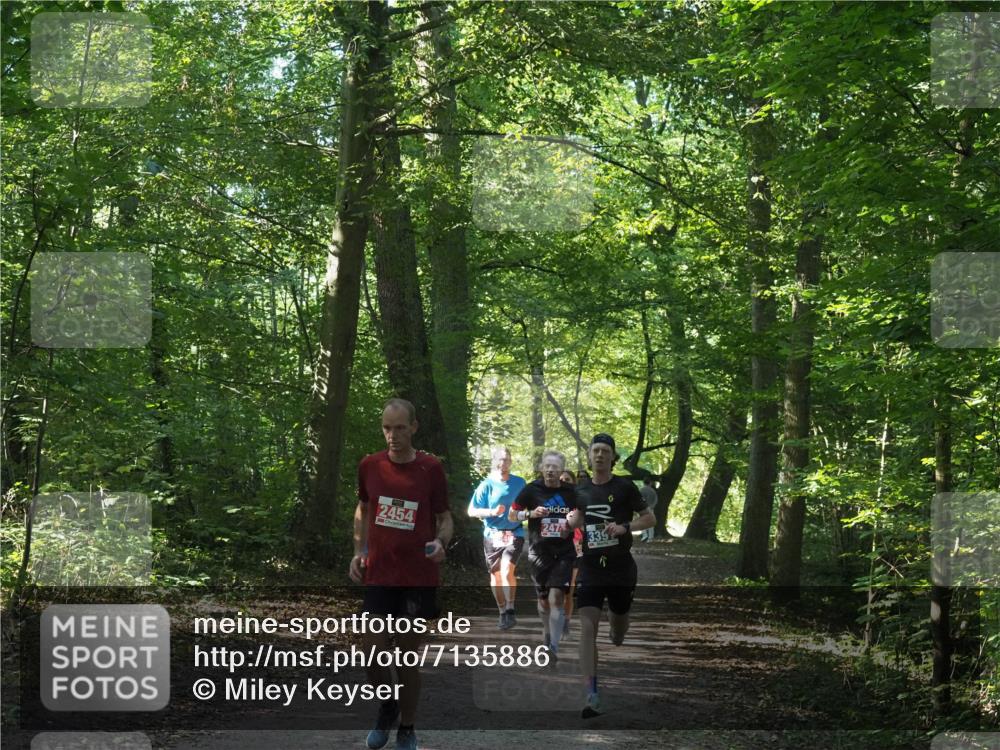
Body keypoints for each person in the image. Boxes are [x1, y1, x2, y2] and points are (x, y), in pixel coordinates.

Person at [349, 398, 453, 750]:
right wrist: (359, 550)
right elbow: (363, 508)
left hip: (418, 578)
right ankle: (387, 707)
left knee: (406, 656)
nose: (392, 435)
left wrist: (440, 542)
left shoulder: (430, 468)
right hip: (379, 573)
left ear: (414, 427)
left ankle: (407, 728)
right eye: (386, 428)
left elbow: (445, 518)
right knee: (372, 651)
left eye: (399, 428)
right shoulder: (370, 466)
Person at [567, 433, 655, 718]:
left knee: (617, 631)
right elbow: (578, 519)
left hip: (620, 568)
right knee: (587, 627)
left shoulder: (625, 486)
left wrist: (624, 527)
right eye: (596, 451)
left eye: (606, 451)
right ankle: (591, 693)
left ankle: (617, 629)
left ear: (613, 456)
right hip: (591, 567)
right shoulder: (580, 490)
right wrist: (571, 522)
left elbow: (649, 518)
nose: (600, 455)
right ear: (590, 456)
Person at [509, 450, 577, 662]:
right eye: (547, 466)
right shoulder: (531, 490)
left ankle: (553, 648)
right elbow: (512, 515)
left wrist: (573, 522)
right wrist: (529, 514)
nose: (550, 470)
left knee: (557, 597)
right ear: (541, 468)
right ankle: (547, 632)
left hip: (564, 552)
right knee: (544, 601)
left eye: (555, 467)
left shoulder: (572, 492)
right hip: (539, 552)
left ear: (561, 470)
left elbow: (583, 517)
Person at [468, 446, 526, 630]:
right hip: (492, 534)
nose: (503, 463)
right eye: (500, 460)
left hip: (514, 533)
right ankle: (502, 612)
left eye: (507, 459)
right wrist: (491, 511)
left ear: (511, 461)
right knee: (496, 575)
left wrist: (526, 514)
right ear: (495, 461)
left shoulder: (520, 483)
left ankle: (510, 608)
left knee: (507, 569)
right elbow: (471, 511)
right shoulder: (487, 484)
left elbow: (528, 506)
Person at [560, 469, 580, 639]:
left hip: (576, 547)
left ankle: (566, 622)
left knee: (569, 589)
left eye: (567, 479)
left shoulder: (580, 499)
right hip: (556, 549)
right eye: (562, 479)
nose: (564, 481)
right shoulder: (552, 500)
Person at [638, 476, 658, 542]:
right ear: (650, 483)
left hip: (643, 509)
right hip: (651, 508)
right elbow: (656, 500)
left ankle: (644, 535)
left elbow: (639, 500)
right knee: (651, 523)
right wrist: (652, 506)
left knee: (642, 522)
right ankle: (650, 538)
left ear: (644, 483)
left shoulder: (641, 490)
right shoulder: (653, 491)